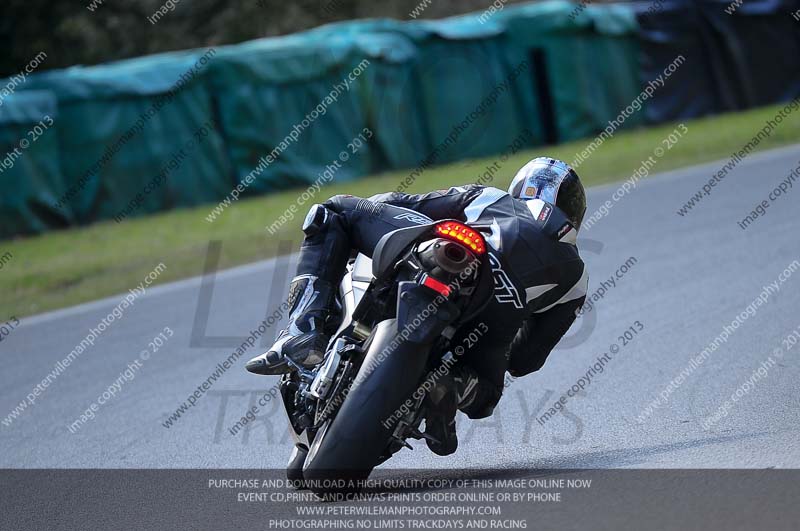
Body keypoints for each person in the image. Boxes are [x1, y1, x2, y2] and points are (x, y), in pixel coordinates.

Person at [246, 157, 588, 456]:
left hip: (451, 253)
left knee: (333, 211)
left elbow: (397, 202)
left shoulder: (492, 197)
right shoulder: (577, 277)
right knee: (485, 394)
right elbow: (527, 359)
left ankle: (303, 329)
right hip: (496, 315)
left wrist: (353, 243)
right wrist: (498, 333)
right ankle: (453, 388)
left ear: (521, 187)